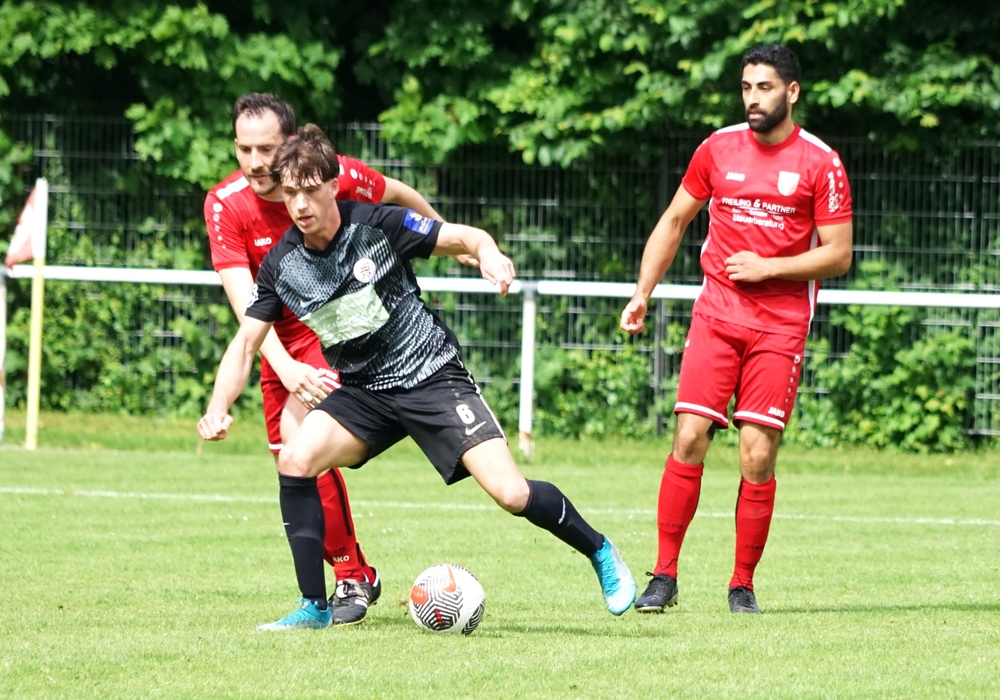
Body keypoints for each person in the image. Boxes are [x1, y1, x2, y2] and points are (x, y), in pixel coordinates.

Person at [198, 124, 637, 631]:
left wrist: (489, 256)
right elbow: (246, 343)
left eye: (311, 190)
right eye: (290, 192)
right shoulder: (282, 264)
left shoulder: (378, 225)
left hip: (431, 377)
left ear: (334, 185)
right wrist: (218, 407)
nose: (299, 204)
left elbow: (467, 237)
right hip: (364, 393)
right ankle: (314, 606)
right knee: (295, 459)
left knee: (511, 494)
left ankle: (599, 550)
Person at [620, 45, 853, 614]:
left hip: (781, 326)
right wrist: (642, 292)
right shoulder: (717, 149)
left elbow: (839, 254)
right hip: (717, 315)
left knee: (756, 453)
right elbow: (675, 220)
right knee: (689, 435)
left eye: (764, 88)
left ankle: (742, 584)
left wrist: (769, 267)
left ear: (791, 92)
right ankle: (664, 576)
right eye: (746, 87)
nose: (752, 98)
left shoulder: (822, 163)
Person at [204, 93, 451, 625]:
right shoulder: (225, 203)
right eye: (244, 149)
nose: (255, 162)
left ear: (291, 145)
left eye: (266, 149)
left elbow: (399, 193)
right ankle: (354, 574)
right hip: (272, 337)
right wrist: (275, 373)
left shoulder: (328, 175)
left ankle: (346, 580)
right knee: (288, 460)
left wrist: (445, 236)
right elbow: (246, 305)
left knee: (301, 446)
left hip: (334, 329)